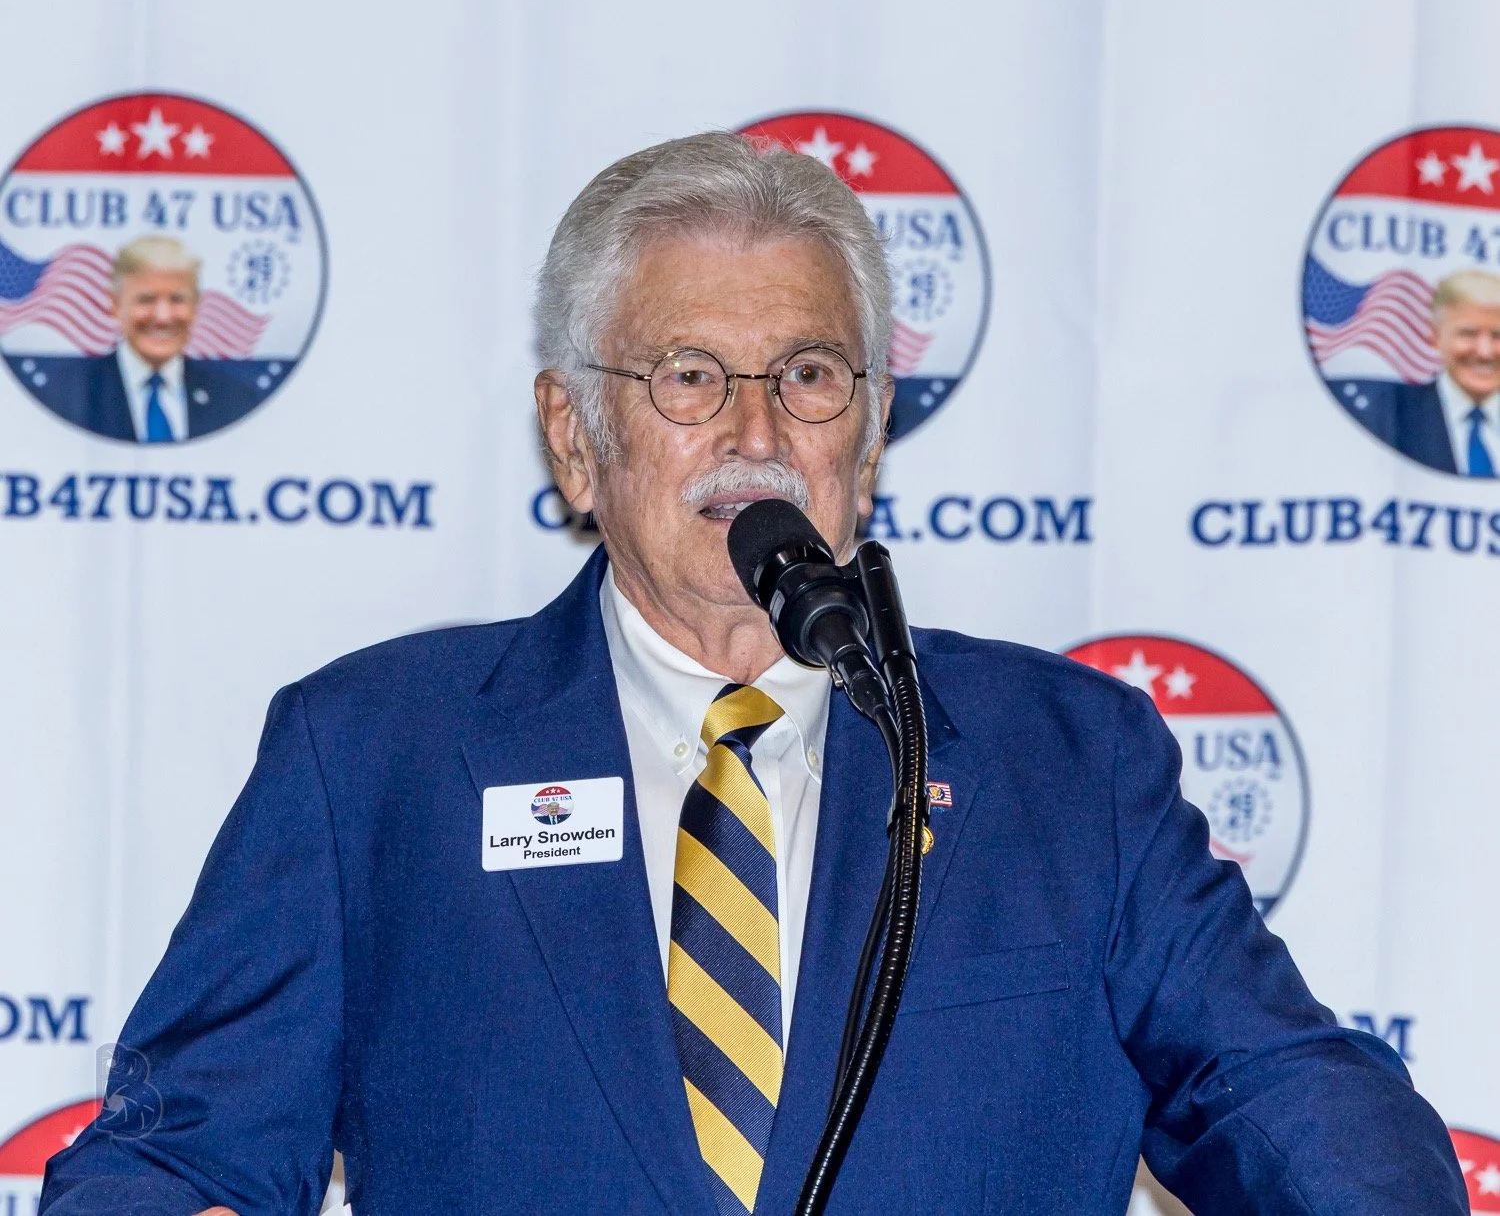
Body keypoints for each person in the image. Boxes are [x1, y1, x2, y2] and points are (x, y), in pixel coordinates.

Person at [41, 134, 1465, 1215]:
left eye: (809, 375)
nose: (757, 431)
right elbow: (174, 1155)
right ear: (575, 437)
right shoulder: (371, 759)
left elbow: (1282, 1098)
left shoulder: (1069, 764)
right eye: (687, 376)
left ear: (871, 431)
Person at [27, 235, 260, 443]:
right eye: (146, 300)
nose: (163, 317)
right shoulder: (67, 395)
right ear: (115, 304)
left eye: (177, 300)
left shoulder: (234, 400)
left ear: (196, 305)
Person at [1339, 268, 1500, 475]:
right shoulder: (1387, 417)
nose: (1485, 352)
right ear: (1435, 335)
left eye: (1497, 335)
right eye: (1468, 334)